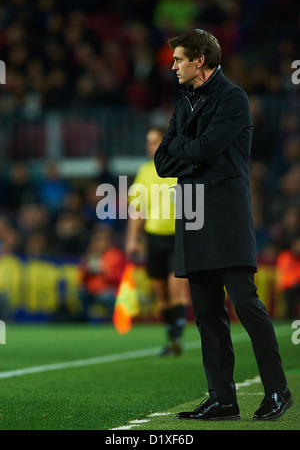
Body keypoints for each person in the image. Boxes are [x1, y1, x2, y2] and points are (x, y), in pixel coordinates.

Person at [154, 29, 292, 421]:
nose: (174, 66)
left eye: (179, 59)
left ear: (201, 60)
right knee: (207, 313)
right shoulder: (185, 103)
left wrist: (189, 151)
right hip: (194, 212)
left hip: (226, 215)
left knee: (246, 303)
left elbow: (204, 148)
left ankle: (278, 391)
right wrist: (192, 153)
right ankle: (222, 399)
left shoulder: (233, 98)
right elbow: (162, 161)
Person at [125, 126, 189, 356]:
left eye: (153, 141)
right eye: (148, 142)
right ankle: (172, 338)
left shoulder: (180, 165)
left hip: (178, 236)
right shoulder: (145, 170)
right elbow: (137, 208)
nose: (149, 146)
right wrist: (132, 239)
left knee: (176, 287)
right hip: (154, 237)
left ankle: (177, 338)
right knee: (160, 290)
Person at [78, 224, 127, 321]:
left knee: (107, 297)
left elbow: (120, 278)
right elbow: (81, 279)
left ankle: (112, 321)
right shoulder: (91, 255)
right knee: (81, 293)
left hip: (111, 292)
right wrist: (86, 268)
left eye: (102, 240)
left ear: (109, 241)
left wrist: (104, 271)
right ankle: (86, 320)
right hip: (93, 292)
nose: (99, 243)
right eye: (96, 240)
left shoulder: (115, 255)